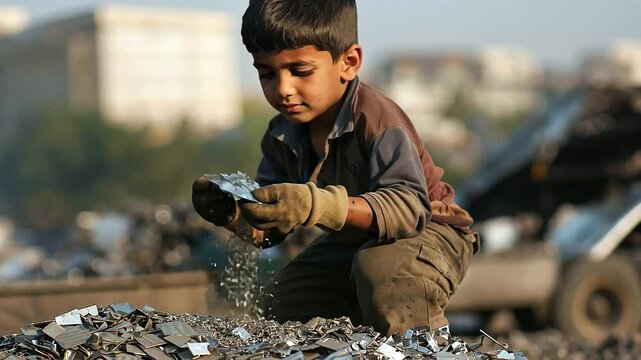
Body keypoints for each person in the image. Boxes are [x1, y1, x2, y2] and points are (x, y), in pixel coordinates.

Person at [192, 0, 479, 335]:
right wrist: (234, 213)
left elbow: (409, 209)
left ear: (349, 62)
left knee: (382, 269)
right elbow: (269, 230)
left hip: (431, 232)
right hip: (354, 241)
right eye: (267, 73)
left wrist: (317, 204)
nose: (283, 89)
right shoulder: (281, 135)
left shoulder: (377, 120)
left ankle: (420, 351)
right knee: (287, 299)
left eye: (300, 71)